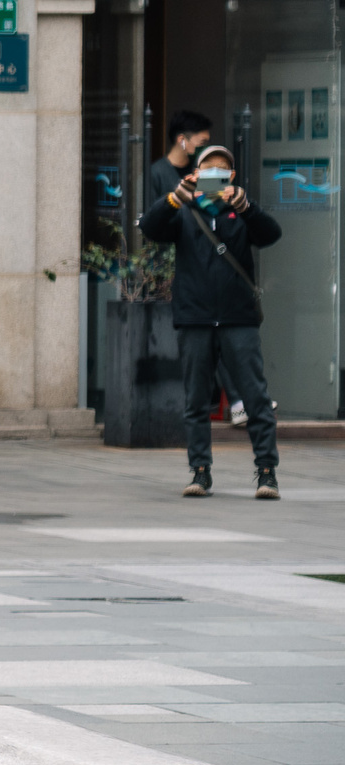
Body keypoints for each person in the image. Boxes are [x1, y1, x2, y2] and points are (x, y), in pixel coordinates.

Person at [141, 143, 281, 500]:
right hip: (196, 318)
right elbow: (151, 228)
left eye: (222, 172)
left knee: (255, 397)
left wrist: (246, 207)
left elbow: (271, 235)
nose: (214, 179)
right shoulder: (184, 212)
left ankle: (267, 472)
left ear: (231, 177)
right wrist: (174, 197)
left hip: (238, 318)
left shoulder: (241, 213)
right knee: (196, 400)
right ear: (195, 174)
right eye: (208, 172)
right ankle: (200, 471)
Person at [145, 110, 214, 213]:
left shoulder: (201, 169)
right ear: (181, 140)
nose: (205, 148)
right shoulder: (156, 172)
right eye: (202, 143)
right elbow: (151, 215)